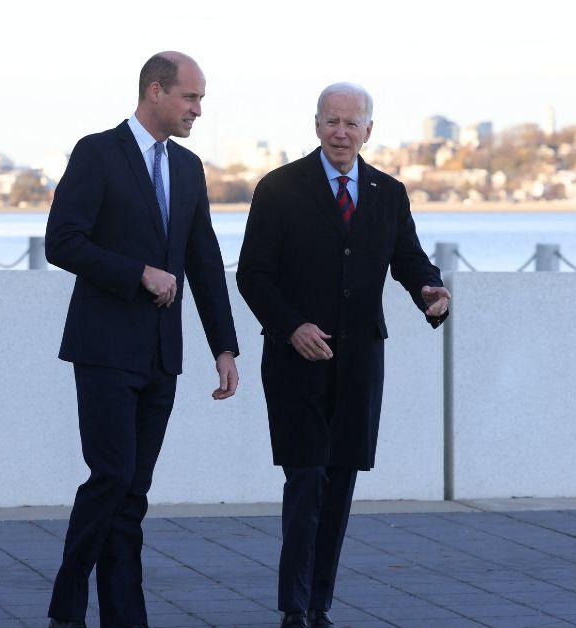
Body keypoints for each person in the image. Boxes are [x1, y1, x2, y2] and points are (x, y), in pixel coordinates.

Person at [236, 82, 450, 628]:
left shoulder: (387, 191)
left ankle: (318, 606)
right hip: (295, 362)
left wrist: (429, 291)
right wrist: (290, 328)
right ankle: (292, 607)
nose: (340, 131)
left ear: (368, 131)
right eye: (331, 120)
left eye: (351, 123)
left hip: (360, 361)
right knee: (306, 478)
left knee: (341, 483)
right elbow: (252, 275)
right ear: (315, 125)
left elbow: (410, 260)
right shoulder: (280, 188)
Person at [45, 51, 240, 628]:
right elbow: (63, 242)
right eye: (190, 98)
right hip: (104, 349)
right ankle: (68, 598)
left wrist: (224, 346)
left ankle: (125, 617)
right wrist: (138, 274)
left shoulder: (188, 167)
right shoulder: (97, 152)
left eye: (200, 100)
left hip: (161, 355)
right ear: (156, 91)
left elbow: (204, 261)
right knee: (110, 477)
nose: (198, 110)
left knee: (134, 492)